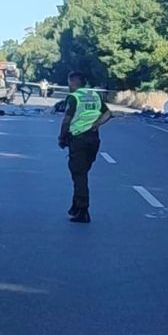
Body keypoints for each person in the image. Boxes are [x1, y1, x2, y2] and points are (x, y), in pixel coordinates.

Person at [58, 72, 112, 223]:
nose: (68, 86)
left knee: (79, 175)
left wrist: (62, 138)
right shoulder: (94, 95)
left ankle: (82, 210)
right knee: (82, 173)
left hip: (78, 139)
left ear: (73, 83)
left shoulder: (74, 97)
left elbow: (67, 120)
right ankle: (75, 206)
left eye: (69, 83)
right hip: (93, 139)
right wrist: (97, 124)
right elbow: (108, 113)